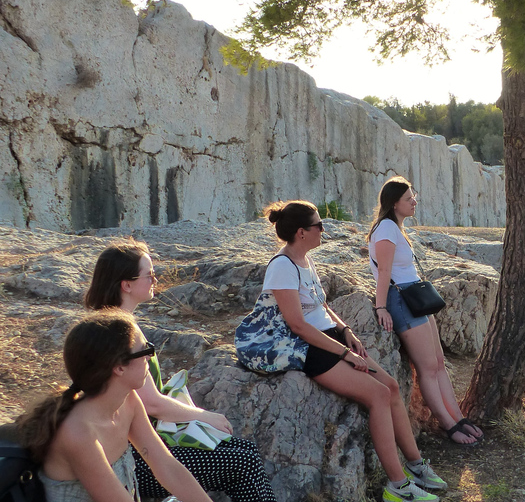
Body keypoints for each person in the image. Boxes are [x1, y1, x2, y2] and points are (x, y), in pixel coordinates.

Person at [257, 200, 446, 502]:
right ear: (302, 232)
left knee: (392, 387)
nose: (324, 229)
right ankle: (397, 487)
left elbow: (322, 306)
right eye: (319, 224)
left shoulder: (305, 260)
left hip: (332, 337)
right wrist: (345, 354)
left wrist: (346, 331)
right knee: (378, 395)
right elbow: (298, 325)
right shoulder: (282, 266)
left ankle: (415, 465)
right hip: (311, 347)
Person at [84, 240, 276, 502]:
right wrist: (205, 416)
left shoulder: (111, 324)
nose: (155, 279)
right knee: (243, 461)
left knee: (241, 453)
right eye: (149, 274)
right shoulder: (119, 333)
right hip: (134, 459)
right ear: (126, 285)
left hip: (142, 444)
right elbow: (151, 403)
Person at [15, 311, 215, 502]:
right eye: (146, 350)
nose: (149, 358)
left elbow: (166, 465)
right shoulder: (79, 433)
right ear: (119, 366)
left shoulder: (128, 401)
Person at [366, 176, 484, 446]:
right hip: (401, 300)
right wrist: (381, 306)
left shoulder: (395, 227)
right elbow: (384, 272)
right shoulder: (385, 229)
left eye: (413, 196)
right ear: (394, 203)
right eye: (409, 198)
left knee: (439, 362)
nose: (414, 201)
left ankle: (457, 416)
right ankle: (448, 424)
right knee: (428, 367)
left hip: (415, 296)